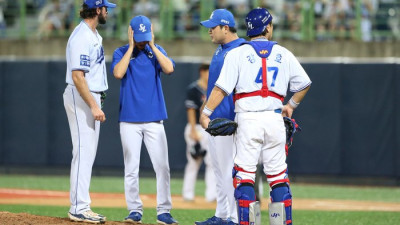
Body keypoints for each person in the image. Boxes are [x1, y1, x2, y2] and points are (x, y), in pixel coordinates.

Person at [200, 7, 311, 225]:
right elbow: (304, 84)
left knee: (244, 177)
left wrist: (205, 113)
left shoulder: (237, 53)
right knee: (278, 178)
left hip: (248, 119)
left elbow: (220, 89)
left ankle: (250, 223)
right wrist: (291, 106)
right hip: (275, 118)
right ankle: (279, 223)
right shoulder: (284, 53)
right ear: (268, 27)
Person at [111, 15, 178, 225]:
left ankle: (164, 212)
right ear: (130, 33)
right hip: (129, 119)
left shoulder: (156, 51)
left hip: (154, 119)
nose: (141, 41)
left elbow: (169, 69)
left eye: (144, 36)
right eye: (138, 36)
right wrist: (131, 47)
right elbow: (118, 73)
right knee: (131, 168)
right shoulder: (121, 52)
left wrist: (152, 45)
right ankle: (134, 211)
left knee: (163, 167)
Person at [63, 0, 116, 223]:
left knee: (88, 153)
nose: (107, 12)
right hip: (81, 94)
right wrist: (94, 106)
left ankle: (82, 204)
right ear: (97, 10)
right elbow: (77, 76)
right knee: (83, 151)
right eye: (105, 9)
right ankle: (78, 206)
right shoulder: (82, 36)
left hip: (90, 95)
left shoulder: (93, 34)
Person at [195, 9, 246, 225]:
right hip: (215, 119)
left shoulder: (242, 49)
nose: (209, 31)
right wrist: (206, 109)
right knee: (217, 171)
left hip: (230, 120)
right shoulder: (220, 49)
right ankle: (221, 214)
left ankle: (233, 218)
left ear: (226, 27)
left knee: (228, 172)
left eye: (212, 27)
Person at [182, 63, 216, 203]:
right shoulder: (193, 89)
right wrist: (192, 130)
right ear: (202, 72)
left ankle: (211, 195)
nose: (210, 74)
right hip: (196, 127)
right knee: (193, 161)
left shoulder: (214, 90)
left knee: (212, 163)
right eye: (208, 71)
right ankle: (188, 195)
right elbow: (190, 110)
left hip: (209, 128)